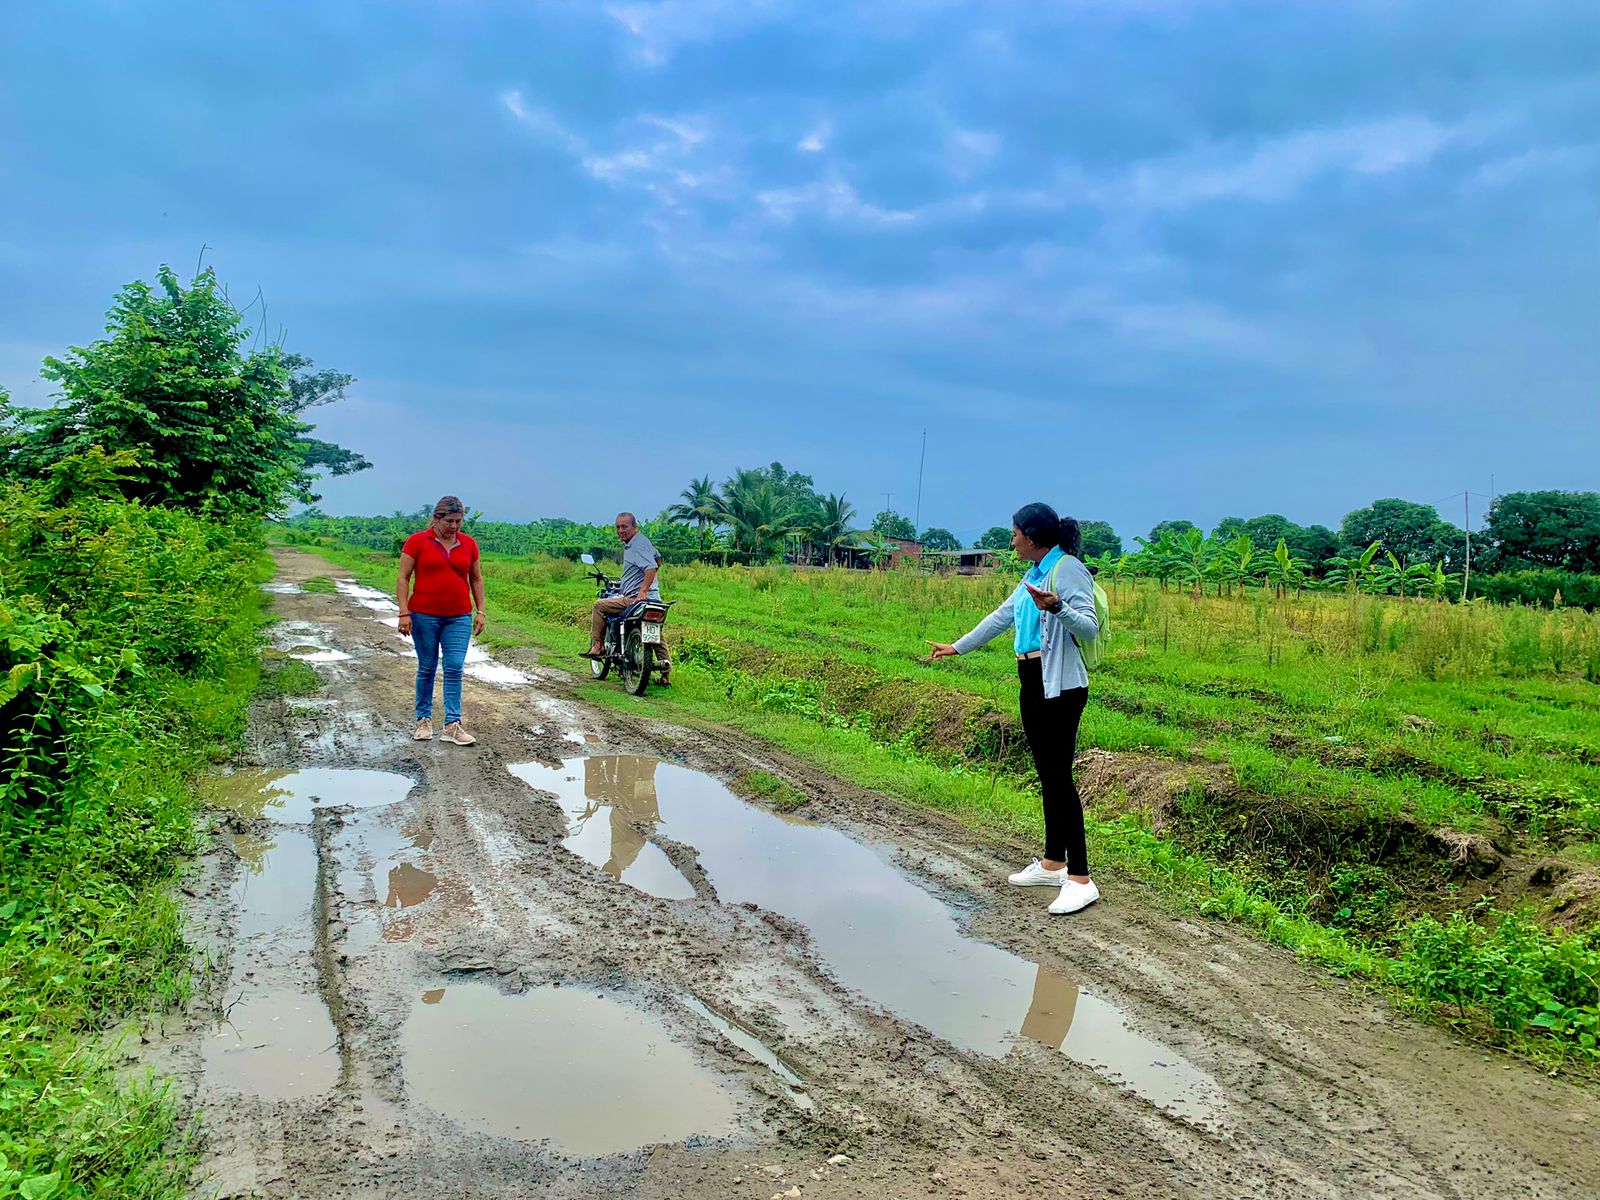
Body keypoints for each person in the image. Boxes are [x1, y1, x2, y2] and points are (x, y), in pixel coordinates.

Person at [927, 502, 1100, 915]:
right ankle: (1053, 863)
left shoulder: (1067, 569)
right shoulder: (1034, 573)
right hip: (1031, 680)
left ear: (1033, 536)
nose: (1012, 541)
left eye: (1016, 533)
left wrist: (1057, 606)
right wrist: (958, 646)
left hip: (1060, 685)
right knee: (1047, 774)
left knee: (1059, 777)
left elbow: (1089, 627)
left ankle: (1081, 879)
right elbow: (1002, 616)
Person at [396, 496, 485, 745]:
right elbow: (403, 577)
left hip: (459, 616)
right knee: (427, 667)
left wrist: (481, 611)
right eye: (450, 521)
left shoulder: (469, 544)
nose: (454, 526)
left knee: (454, 666)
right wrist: (403, 612)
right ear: (436, 518)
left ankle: (452, 725)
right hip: (423, 615)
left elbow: (476, 579)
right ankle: (423, 720)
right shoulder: (417, 541)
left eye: (458, 521)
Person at [583, 512, 671, 685]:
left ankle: (598, 646)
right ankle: (666, 675)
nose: (620, 530)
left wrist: (643, 590)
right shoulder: (642, 542)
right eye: (618, 527)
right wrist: (641, 581)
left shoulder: (637, 545)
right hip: (655, 600)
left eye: (624, 526)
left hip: (635, 599)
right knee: (656, 635)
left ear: (634, 527)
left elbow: (651, 567)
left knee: (599, 605)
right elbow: (658, 559)